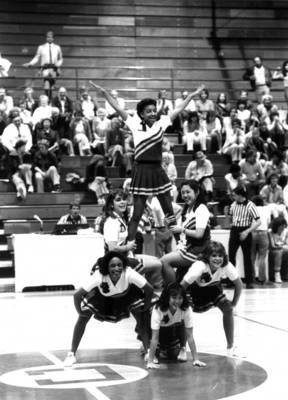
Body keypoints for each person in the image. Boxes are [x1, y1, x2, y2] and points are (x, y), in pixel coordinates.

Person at [89, 81, 205, 244]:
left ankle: (180, 243)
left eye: (153, 110)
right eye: (148, 111)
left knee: (169, 212)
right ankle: (129, 246)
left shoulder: (161, 123)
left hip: (157, 170)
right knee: (136, 214)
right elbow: (117, 108)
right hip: (141, 170)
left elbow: (178, 109)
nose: (152, 113)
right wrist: (104, 92)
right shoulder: (134, 124)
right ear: (141, 114)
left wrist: (191, 96)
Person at [63, 251, 154, 367]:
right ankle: (71, 354)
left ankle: (148, 352)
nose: (117, 268)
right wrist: (79, 312)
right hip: (101, 297)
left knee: (141, 317)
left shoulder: (129, 273)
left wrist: (145, 307)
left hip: (127, 294)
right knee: (83, 318)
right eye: (113, 265)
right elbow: (77, 295)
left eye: (119, 265)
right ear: (106, 267)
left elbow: (149, 289)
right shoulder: (99, 276)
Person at [180, 241, 242, 357]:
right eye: (214, 255)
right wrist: (181, 302)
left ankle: (230, 347)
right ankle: (182, 348)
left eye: (220, 256)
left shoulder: (226, 266)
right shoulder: (199, 266)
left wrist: (234, 303)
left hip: (213, 290)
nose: (217, 259)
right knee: (183, 313)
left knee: (228, 309)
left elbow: (239, 284)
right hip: (193, 290)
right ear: (207, 257)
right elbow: (182, 286)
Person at [100, 189, 163, 289]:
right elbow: (112, 248)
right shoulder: (111, 222)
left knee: (156, 259)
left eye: (124, 199)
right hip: (118, 260)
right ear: (111, 204)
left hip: (126, 255)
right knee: (157, 264)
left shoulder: (120, 218)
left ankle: (144, 288)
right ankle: (147, 291)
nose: (122, 202)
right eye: (118, 200)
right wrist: (127, 247)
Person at [161, 179, 211, 284]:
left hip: (199, 250)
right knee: (164, 260)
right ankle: (175, 289)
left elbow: (199, 234)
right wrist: (166, 224)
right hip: (188, 248)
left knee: (164, 261)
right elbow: (178, 231)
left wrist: (182, 230)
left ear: (197, 192)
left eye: (188, 192)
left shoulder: (201, 209)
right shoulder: (187, 209)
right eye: (183, 193)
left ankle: (173, 290)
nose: (185, 195)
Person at [147, 282, 206, 369]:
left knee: (173, 354)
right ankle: (147, 349)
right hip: (155, 332)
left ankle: (181, 348)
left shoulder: (186, 309)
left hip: (172, 330)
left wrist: (196, 359)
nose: (177, 301)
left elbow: (190, 336)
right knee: (154, 348)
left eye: (180, 298)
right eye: (174, 298)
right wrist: (150, 361)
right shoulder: (158, 309)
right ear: (167, 297)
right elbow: (154, 337)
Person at [228, 186, 261, 288]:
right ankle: (232, 280)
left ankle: (249, 281)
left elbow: (258, 222)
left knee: (247, 257)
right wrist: (228, 219)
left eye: (235, 195)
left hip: (245, 229)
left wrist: (247, 231)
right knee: (231, 256)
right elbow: (231, 218)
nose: (233, 196)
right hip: (235, 230)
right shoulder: (233, 204)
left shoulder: (250, 205)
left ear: (240, 195)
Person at [23, 31, 63, 99]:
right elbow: (37, 57)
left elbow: (60, 58)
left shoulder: (57, 47)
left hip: (54, 68)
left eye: (51, 37)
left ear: (53, 38)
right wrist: (30, 63)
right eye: (48, 37)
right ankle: (47, 100)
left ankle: (50, 101)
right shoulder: (41, 47)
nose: (49, 38)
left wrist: (58, 65)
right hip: (45, 67)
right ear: (46, 38)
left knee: (52, 86)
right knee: (46, 85)